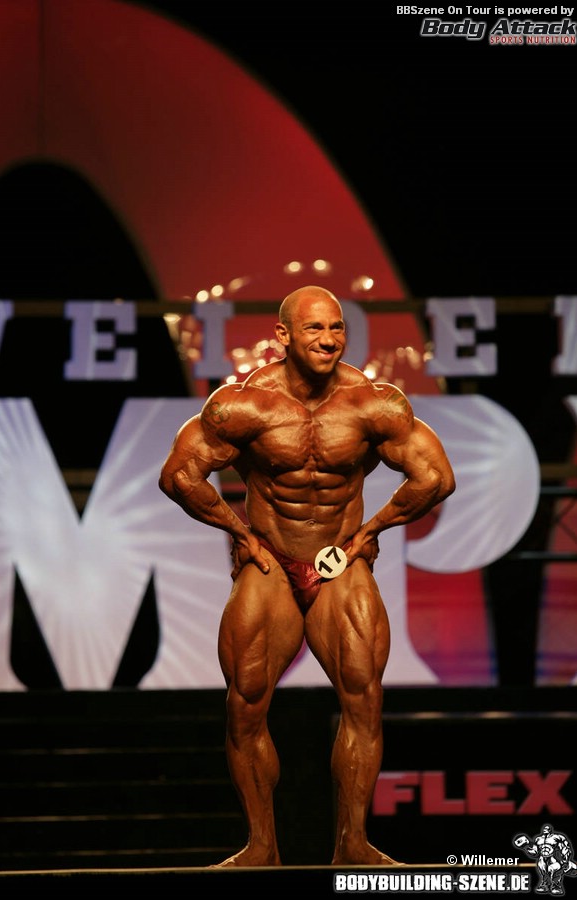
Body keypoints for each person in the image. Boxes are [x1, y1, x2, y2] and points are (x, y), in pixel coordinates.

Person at [159, 285, 455, 867]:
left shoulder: (373, 404)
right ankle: (261, 847)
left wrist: (371, 531)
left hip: (339, 562)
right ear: (284, 335)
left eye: (336, 327)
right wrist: (240, 533)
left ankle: (353, 843)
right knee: (245, 703)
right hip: (271, 562)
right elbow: (179, 476)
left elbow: (436, 477)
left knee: (364, 700)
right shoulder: (242, 406)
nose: (328, 339)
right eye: (315, 328)